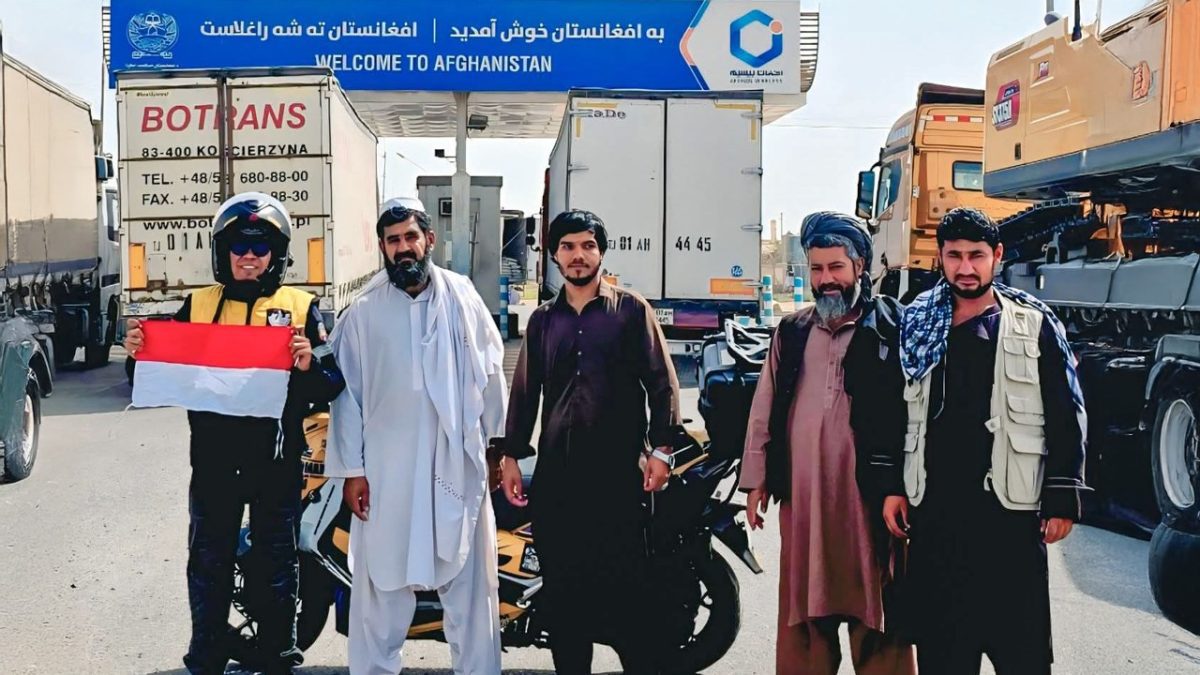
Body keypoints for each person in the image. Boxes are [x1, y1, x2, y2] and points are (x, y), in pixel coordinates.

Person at [123, 192, 345, 675]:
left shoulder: (302, 308)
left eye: (260, 247)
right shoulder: (197, 305)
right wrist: (137, 350)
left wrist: (307, 365)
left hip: (275, 463)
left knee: (277, 564)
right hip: (214, 462)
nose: (249, 256)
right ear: (221, 253)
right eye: (238, 247)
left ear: (277, 254)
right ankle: (205, 656)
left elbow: (333, 383)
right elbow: (151, 370)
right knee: (209, 561)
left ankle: (277, 656)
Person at [886, 207, 1087, 674]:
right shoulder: (915, 324)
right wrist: (892, 486)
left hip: (1009, 520)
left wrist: (1062, 496)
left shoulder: (1032, 323)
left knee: (1023, 658)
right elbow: (895, 412)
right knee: (943, 658)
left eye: (976, 255)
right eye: (954, 256)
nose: (965, 268)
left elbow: (1066, 412)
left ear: (997, 255)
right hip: (937, 518)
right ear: (939, 257)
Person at [324, 197, 508, 675]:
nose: (403, 248)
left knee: (471, 588)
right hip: (387, 471)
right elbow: (346, 398)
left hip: (457, 463)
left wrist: (497, 449)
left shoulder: (463, 298)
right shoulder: (363, 313)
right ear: (383, 248)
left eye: (410, 237)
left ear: (429, 239)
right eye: (393, 241)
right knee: (380, 589)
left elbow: (491, 376)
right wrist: (352, 471)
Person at [499, 209, 681, 674]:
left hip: (618, 479)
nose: (578, 255)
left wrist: (662, 449)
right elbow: (525, 392)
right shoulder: (543, 321)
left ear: (601, 252)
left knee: (629, 602)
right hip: (557, 482)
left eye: (587, 246)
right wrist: (512, 455)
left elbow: (662, 383)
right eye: (568, 246)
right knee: (565, 605)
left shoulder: (631, 312)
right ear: (554, 255)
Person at [738, 212, 916, 675]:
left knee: (878, 610)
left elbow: (915, 415)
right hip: (806, 502)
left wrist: (905, 486)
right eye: (816, 269)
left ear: (860, 266)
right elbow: (764, 408)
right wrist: (756, 481)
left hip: (870, 503)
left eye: (836, 267)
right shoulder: (792, 332)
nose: (826, 280)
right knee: (805, 614)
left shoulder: (892, 328)